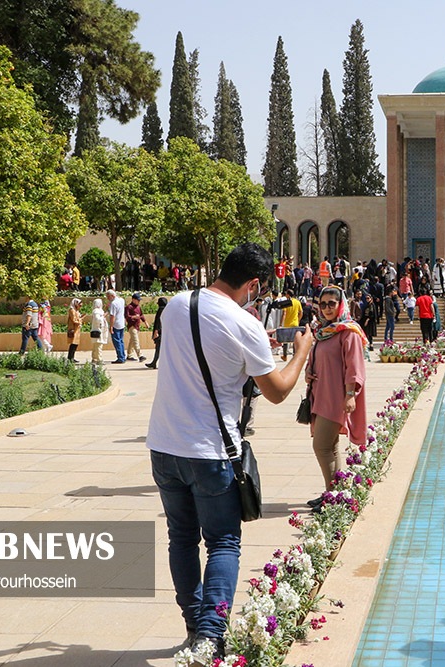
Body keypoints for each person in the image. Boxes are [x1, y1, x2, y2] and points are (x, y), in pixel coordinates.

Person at [147, 242, 313, 659]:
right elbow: (276, 391)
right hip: (211, 450)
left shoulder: (176, 304)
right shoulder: (245, 324)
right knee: (222, 542)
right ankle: (210, 633)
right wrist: (301, 352)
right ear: (254, 284)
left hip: (164, 444)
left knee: (181, 538)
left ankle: (193, 623)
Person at [306, 285, 367, 501]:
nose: (327, 308)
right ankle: (334, 494)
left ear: (341, 304)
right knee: (330, 446)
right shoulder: (324, 332)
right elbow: (318, 358)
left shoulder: (348, 332)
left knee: (321, 445)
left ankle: (333, 495)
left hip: (336, 399)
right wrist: (308, 372)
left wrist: (350, 394)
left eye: (332, 303)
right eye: (323, 304)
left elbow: (355, 366)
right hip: (321, 395)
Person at [146, 297, 168, 369]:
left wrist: (156, 331)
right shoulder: (167, 310)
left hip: (160, 332)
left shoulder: (161, 310)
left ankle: (154, 363)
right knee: (160, 349)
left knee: (158, 348)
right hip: (164, 332)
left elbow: (158, 321)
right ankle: (154, 363)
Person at [125, 293, 148, 362]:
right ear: (133, 299)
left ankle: (129, 355)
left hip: (137, 326)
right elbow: (126, 316)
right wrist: (133, 317)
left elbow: (141, 315)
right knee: (136, 341)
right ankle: (140, 355)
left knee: (132, 341)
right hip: (132, 326)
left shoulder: (138, 307)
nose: (139, 301)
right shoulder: (129, 307)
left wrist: (145, 322)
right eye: (137, 300)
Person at [106, 290, 127, 363]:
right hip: (121, 323)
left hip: (116, 324)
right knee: (121, 341)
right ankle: (123, 356)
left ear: (112, 296)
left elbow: (112, 316)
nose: (107, 298)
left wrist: (111, 326)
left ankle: (120, 357)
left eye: (108, 296)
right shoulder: (121, 300)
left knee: (117, 342)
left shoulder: (113, 304)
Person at [90, 298, 108, 365]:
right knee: (98, 346)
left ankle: (94, 358)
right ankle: (99, 359)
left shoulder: (99, 311)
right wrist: (103, 316)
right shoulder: (96, 311)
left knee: (96, 346)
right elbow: (98, 319)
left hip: (100, 330)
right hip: (98, 330)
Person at [66, 298, 84, 363]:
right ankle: (70, 358)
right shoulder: (72, 310)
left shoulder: (76, 310)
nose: (80, 306)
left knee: (75, 344)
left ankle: (72, 357)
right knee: (73, 344)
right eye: (79, 305)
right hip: (73, 328)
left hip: (77, 329)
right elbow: (74, 320)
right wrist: (80, 320)